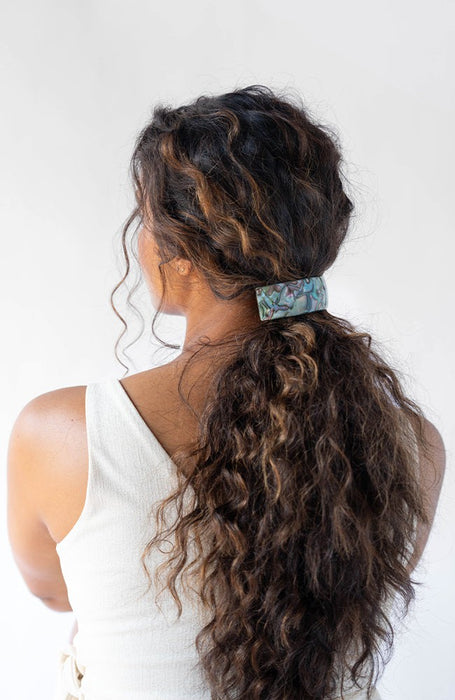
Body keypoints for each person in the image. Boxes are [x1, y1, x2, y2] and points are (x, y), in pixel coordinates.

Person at [7, 84, 446, 700]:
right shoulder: (409, 444)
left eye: (146, 220)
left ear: (182, 250)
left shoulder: (61, 434)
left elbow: (54, 591)